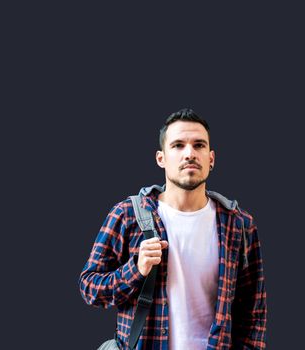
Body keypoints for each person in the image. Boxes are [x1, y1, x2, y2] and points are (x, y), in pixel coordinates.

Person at [79, 108, 267, 349]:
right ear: (161, 158)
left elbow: (253, 311)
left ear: (211, 158)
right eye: (178, 145)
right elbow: (89, 287)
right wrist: (136, 270)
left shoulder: (238, 224)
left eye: (199, 145)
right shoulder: (128, 214)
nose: (189, 153)